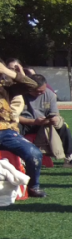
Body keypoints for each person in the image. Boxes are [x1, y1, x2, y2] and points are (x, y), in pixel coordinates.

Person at [19, 74, 72, 168]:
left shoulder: (49, 94)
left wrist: (53, 119)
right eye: (38, 91)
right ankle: (19, 158)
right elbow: (14, 116)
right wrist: (34, 121)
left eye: (43, 90)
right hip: (25, 123)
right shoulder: (19, 95)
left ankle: (70, 157)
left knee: (62, 125)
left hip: (44, 123)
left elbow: (55, 113)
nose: (42, 93)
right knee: (14, 126)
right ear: (30, 88)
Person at [0, 61, 45, 197]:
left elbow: (32, 85)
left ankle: (33, 186)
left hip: (5, 132)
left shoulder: (5, 88)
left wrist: (8, 71)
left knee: (34, 153)